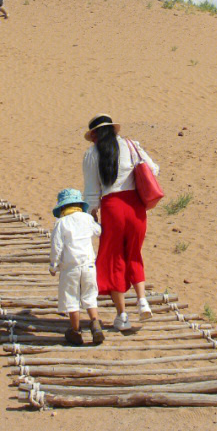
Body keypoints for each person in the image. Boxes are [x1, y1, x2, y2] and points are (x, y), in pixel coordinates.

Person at [82, 113, 159, 333]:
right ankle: (142, 300)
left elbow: (91, 191)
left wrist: (92, 214)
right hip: (135, 207)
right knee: (134, 253)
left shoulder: (92, 153)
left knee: (113, 258)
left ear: (95, 134)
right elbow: (153, 169)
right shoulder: (131, 145)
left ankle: (122, 314)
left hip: (112, 207)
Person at [49, 188, 105, 346]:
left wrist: (53, 265)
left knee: (71, 298)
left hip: (70, 268)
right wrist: (94, 219)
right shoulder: (86, 219)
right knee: (90, 295)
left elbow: (56, 246)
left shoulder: (61, 223)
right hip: (88, 265)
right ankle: (95, 323)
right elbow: (98, 231)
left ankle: (76, 330)